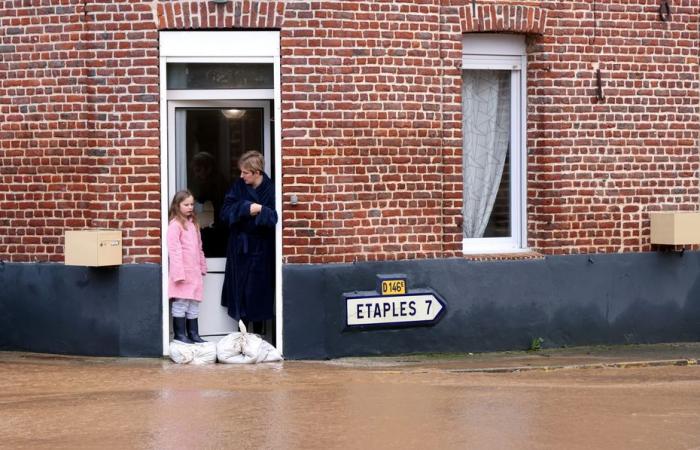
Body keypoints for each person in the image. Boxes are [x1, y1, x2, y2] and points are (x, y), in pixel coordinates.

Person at [220, 151, 277, 335]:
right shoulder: (237, 187)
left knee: (258, 293)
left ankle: (258, 338)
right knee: (241, 293)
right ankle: (241, 336)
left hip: (262, 249)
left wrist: (260, 209)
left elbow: (274, 217)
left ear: (257, 171)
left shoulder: (271, 189)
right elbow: (224, 212)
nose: (241, 176)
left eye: (245, 172)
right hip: (240, 249)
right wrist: (246, 208)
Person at [167, 190, 208, 344]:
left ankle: (193, 333)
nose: (190, 207)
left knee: (194, 303)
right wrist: (178, 273)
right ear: (177, 206)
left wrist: (202, 266)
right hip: (183, 273)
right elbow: (174, 251)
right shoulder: (175, 225)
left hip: (194, 273)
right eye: (186, 204)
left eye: (192, 204)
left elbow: (199, 247)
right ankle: (180, 334)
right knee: (181, 303)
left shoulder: (193, 224)